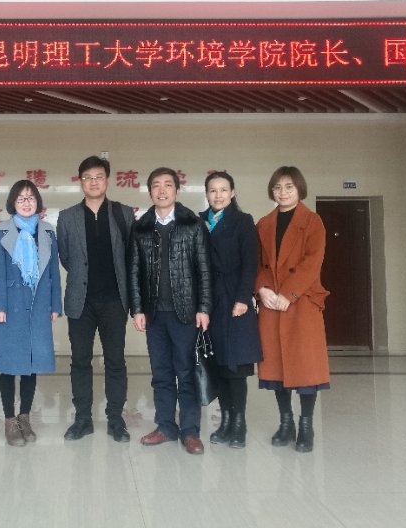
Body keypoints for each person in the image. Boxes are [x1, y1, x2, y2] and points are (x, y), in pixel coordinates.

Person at [128, 167, 212, 455]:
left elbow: (204, 270)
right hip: (154, 314)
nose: (162, 190)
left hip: (185, 312)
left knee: (186, 372)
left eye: (167, 185)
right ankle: (165, 426)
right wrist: (137, 309)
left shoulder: (193, 224)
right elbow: (134, 272)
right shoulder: (141, 227)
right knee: (161, 373)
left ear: (177, 190)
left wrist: (204, 307)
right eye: (156, 185)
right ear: (150, 191)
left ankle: (190, 431)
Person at [57, 156, 134, 443]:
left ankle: (116, 419)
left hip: (115, 301)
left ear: (107, 180)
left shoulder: (123, 213)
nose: (93, 182)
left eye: (98, 176)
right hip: (81, 301)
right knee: (80, 361)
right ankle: (83, 419)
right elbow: (66, 258)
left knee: (115, 361)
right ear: (80, 182)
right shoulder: (67, 217)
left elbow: (131, 256)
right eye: (87, 177)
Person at [255, 166, 330, 453]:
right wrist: (262, 289)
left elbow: (313, 262)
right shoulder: (264, 224)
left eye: (288, 187)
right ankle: (285, 422)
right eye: (277, 187)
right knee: (276, 366)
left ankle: (306, 425)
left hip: (302, 302)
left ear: (299, 189)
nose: (282, 192)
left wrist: (290, 293)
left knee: (306, 366)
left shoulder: (312, 222)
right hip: (272, 303)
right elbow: (257, 263)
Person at [0, 179, 62, 446]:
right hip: (10, 308)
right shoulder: (1, 232)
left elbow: (53, 272)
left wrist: (55, 305)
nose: (27, 202)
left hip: (38, 305)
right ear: (13, 203)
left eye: (31, 198)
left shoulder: (48, 232)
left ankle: (25, 417)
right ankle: (10, 420)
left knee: (32, 366)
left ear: (38, 202)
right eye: (21, 198)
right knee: (10, 367)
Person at [199, 171, 263, 449]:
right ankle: (225, 421)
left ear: (233, 192)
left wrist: (242, 298)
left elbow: (250, 263)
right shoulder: (199, 221)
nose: (218, 195)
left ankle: (239, 424)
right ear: (207, 194)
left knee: (235, 366)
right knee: (218, 365)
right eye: (213, 190)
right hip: (209, 302)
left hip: (234, 301)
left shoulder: (243, 221)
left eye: (223, 190)